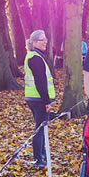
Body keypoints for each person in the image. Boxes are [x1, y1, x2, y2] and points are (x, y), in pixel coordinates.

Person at [24, 30, 55, 168]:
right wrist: (47, 102)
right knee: (40, 129)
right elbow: (40, 82)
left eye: (46, 39)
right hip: (38, 100)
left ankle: (41, 154)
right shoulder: (35, 58)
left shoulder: (35, 56)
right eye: (42, 40)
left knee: (41, 127)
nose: (45, 42)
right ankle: (38, 159)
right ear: (34, 42)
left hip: (34, 98)